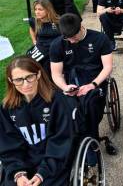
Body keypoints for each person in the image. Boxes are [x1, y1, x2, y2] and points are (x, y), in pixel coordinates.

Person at [0, 56, 75, 185]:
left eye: (29, 77)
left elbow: (61, 140)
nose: (25, 84)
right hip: (22, 163)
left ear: (38, 74)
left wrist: (42, 173)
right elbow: (8, 144)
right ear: (10, 81)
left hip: (53, 160)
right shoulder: (6, 108)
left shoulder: (57, 101)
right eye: (18, 80)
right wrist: (19, 174)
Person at [49, 13, 117, 155]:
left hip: (95, 80)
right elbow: (56, 74)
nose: (72, 41)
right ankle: (73, 140)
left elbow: (107, 67)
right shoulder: (57, 44)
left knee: (90, 104)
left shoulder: (100, 39)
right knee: (62, 105)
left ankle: (91, 142)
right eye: (68, 38)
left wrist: (93, 84)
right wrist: (65, 87)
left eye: (74, 37)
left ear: (81, 27)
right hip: (70, 83)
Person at [27, 0, 61, 76]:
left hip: (54, 49)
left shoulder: (58, 21)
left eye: (40, 9)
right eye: (35, 9)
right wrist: (34, 40)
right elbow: (31, 29)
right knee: (29, 65)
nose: (37, 12)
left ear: (48, 9)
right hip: (41, 47)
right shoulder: (34, 21)